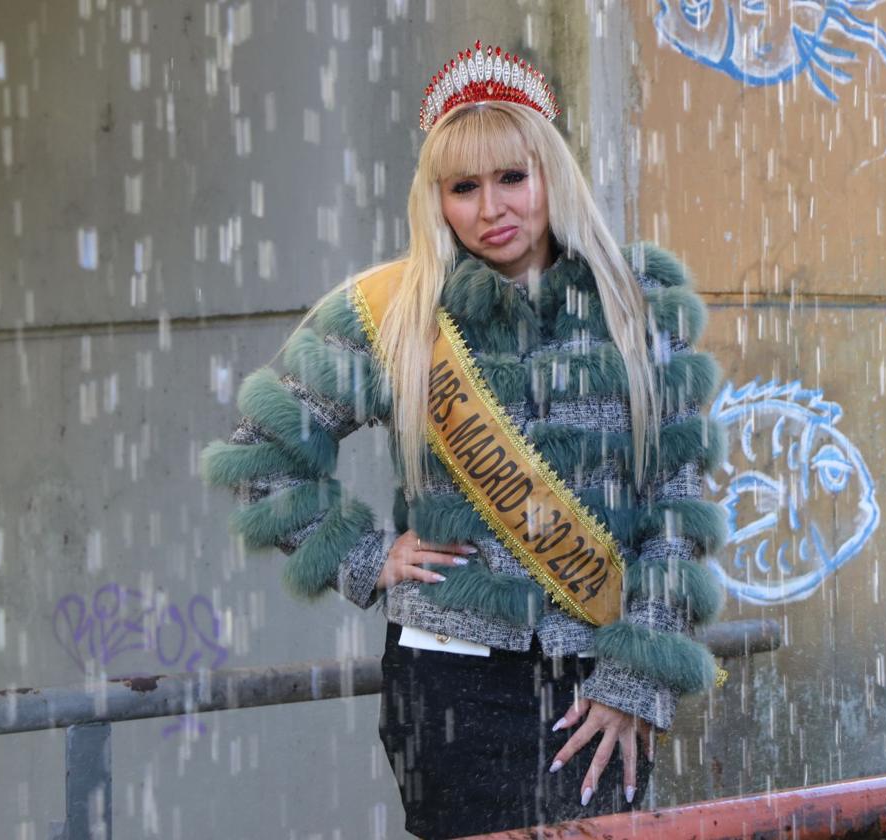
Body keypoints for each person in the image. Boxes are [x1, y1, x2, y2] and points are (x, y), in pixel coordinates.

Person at [201, 40, 727, 838]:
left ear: (553, 173)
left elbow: (676, 514)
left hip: (597, 684)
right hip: (449, 684)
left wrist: (636, 679)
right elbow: (259, 458)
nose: (493, 208)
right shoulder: (395, 314)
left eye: (513, 177)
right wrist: (367, 556)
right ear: (435, 199)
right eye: (464, 187)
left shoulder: (637, 303)